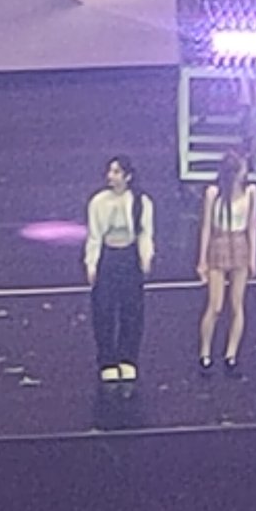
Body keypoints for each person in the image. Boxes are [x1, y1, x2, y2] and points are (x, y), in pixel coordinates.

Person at [86, 156, 153, 383]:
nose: (111, 176)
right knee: (104, 310)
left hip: (129, 257)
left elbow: (145, 233)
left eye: (116, 172)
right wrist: (92, 263)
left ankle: (128, 358)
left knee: (131, 310)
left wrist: (146, 257)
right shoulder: (98, 202)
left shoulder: (141, 201)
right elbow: (94, 235)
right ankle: (107, 359)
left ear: (127, 176)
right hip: (108, 257)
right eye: (110, 171)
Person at [195, 150, 256, 370]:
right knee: (216, 305)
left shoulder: (251, 192)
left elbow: (252, 226)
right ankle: (205, 351)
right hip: (219, 241)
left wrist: (253, 257)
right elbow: (206, 227)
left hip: (240, 243)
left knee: (237, 304)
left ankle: (231, 353)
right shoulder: (213, 193)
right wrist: (202, 260)